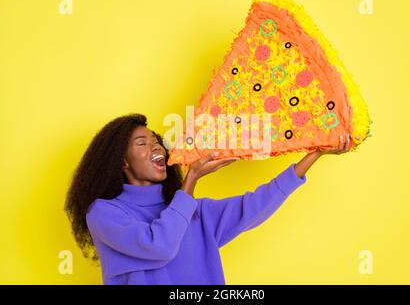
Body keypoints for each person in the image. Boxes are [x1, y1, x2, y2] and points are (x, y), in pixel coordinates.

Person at [65, 113, 352, 284]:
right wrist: (191, 180)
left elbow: (254, 206)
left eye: (157, 142)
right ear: (121, 162)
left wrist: (315, 153)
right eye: (143, 143)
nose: (157, 148)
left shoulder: (192, 211)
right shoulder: (104, 213)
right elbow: (160, 246)